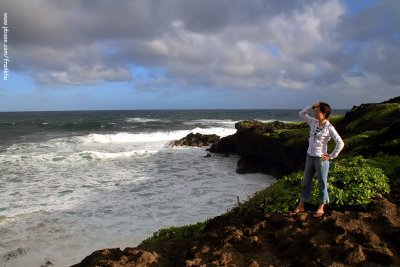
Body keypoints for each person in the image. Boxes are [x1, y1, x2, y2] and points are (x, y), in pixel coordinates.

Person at [294, 102, 344, 218]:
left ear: (325, 113)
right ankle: (301, 205)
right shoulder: (313, 122)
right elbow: (301, 114)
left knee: (321, 183)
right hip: (309, 156)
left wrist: (331, 156)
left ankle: (321, 206)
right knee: (306, 182)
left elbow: (340, 143)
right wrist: (311, 106)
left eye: (318, 112)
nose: (316, 114)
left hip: (320, 159)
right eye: (315, 112)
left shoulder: (329, 128)